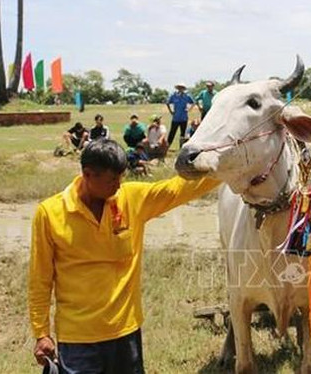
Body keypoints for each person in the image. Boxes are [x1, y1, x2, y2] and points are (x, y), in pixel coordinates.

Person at [28, 139, 219, 373]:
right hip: (79, 340)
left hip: (125, 333)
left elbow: (178, 189)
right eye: (112, 180)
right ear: (88, 174)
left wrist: (230, 166)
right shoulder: (50, 213)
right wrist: (41, 333)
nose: (119, 186)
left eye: (122, 177)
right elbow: (40, 279)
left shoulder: (131, 199)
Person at [166, 83, 194, 149]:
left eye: (182, 87)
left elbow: (193, 102)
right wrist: (171, 111)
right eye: (179, 87)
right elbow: (167, 103)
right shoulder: (173, 95)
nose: (180, 89)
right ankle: (167, 147)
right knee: (172, 133)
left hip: (184, 118)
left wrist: (189, 109)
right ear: (177, 88)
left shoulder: (187, 96)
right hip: (175, 118)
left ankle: (181, 148)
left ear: (184, 89)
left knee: (182, 134)